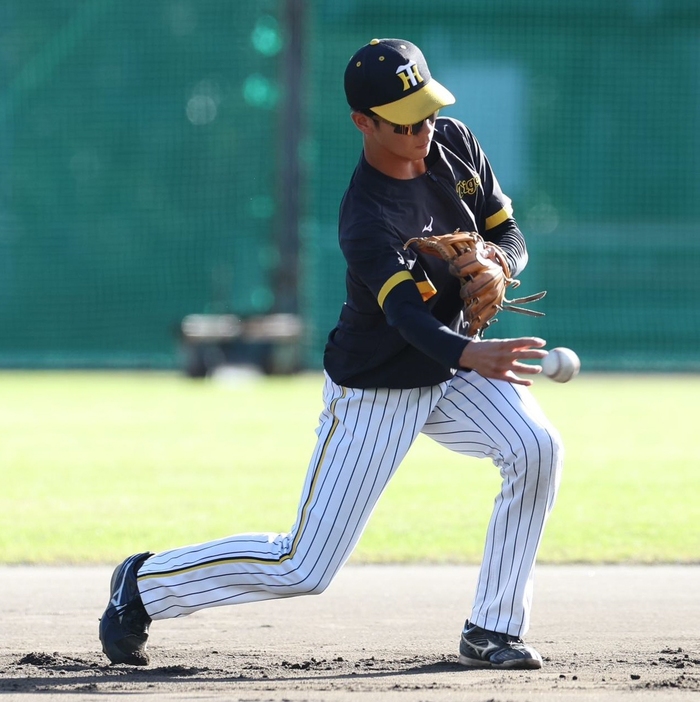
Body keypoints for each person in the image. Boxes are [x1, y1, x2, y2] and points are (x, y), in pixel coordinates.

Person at [99, 37, 563, 671]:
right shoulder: (366, 216)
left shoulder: (453, 143)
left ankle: (493, 628)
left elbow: (508, 233)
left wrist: (500, 265)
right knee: (304, 566)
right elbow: (404, 319)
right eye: (404, 120)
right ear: (363, 123)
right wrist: (472, 356)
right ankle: (145, 583)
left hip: (454, 366)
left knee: (535, 447)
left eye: (426, 109)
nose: (423, 128)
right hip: (379, 383)